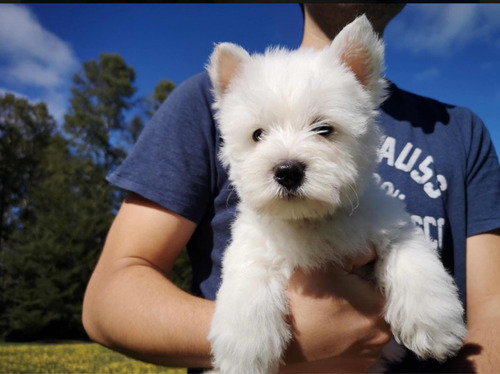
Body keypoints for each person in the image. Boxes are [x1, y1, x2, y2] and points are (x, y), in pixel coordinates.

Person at [82, 4, 500, 373]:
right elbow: (111, 299)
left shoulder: (462, 134)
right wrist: (291, 342)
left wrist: (418, 290)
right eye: (259, 133)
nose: (287, 159)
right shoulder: (196, 103)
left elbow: (477, 295)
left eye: (323, 129)